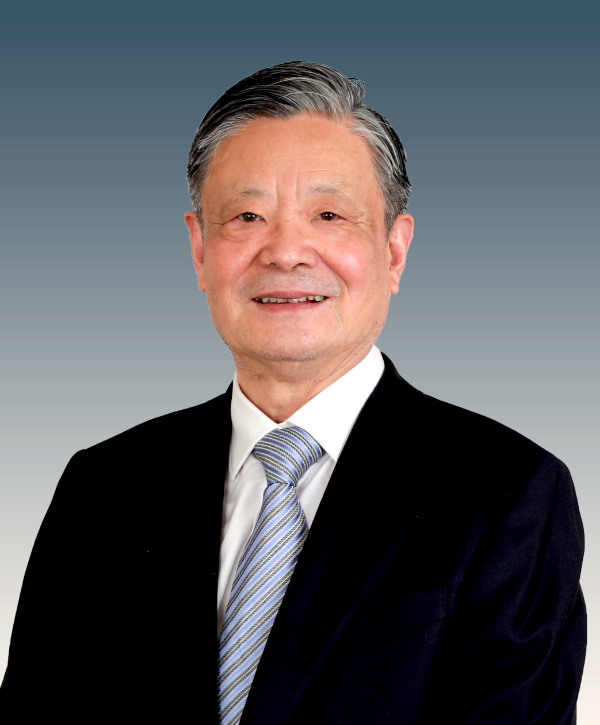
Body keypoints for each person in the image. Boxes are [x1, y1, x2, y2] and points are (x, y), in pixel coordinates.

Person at [0, 61, 586, 724]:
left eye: (329, 214)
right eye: (247, 215)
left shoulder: (507, 494)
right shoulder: (103, 487)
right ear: (200, 250)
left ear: (394, 251)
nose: (285, 252)